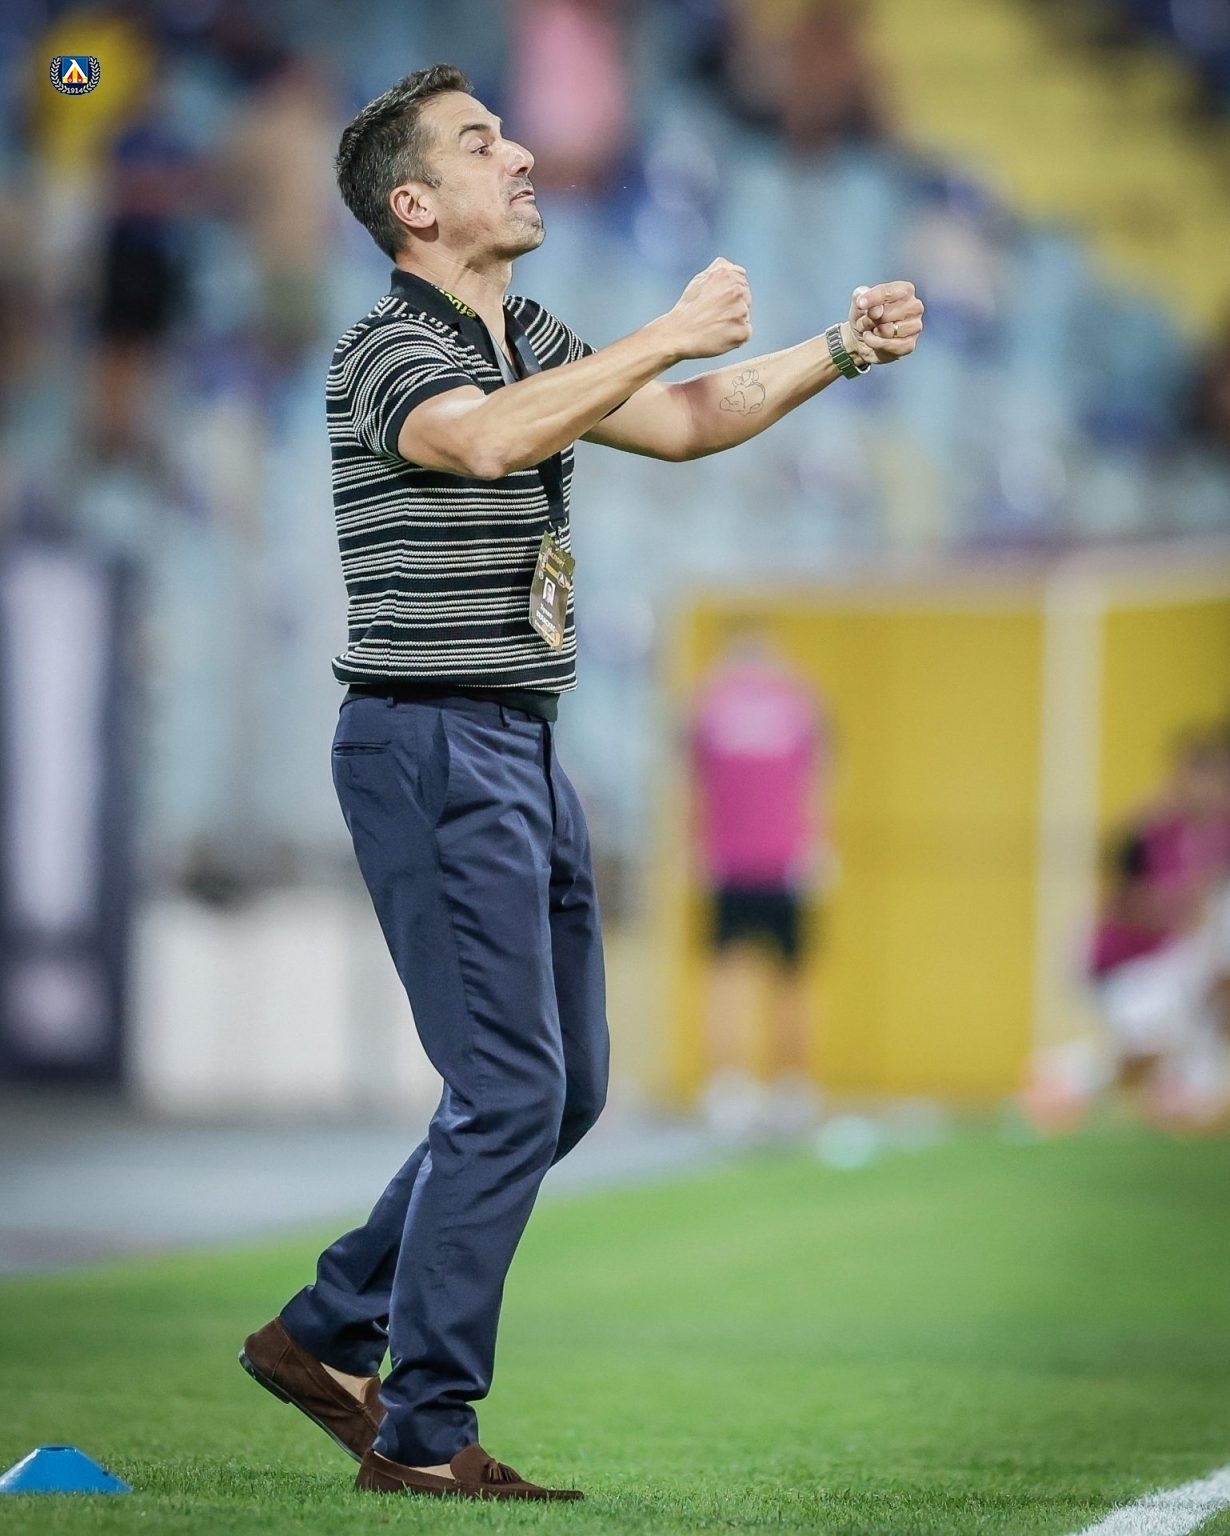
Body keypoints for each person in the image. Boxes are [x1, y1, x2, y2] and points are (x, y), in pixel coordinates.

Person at [237, 63, 924, 1503]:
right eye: (481, 143)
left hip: (521, 743)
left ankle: (326, 1325)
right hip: (429, 740)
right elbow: (489, 439)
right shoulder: (382, 346)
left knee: (566, 1090)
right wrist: (665, 328)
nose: (523, 155)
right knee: (507, 1089)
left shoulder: (528, 333)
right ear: (414, 204)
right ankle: (420, 1437)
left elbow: (681, 423)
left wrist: (834, 351)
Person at [690, 634, 830, 1143]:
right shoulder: (799, 704)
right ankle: (789, 1089)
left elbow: (692, 784)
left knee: (729, 978)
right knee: (788, 980)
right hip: (783, 862)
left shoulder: (709, 706)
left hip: (729, 864)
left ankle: (734, 1088)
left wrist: (696, 848)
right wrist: (817, 845)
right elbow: (819, 780)